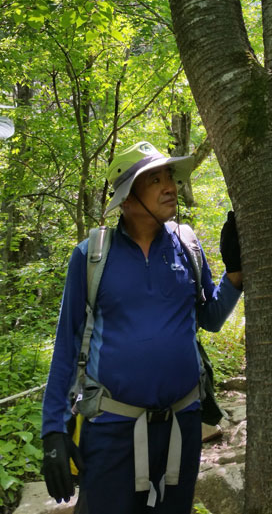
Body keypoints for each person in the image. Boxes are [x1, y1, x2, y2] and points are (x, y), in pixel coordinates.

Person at [41, 140, 242, 514]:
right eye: (154, 179)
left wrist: (234, 277)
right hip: (112, 429)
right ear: (128, 198)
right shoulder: (92, 256)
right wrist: (53, 429)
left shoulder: (187, 246)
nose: (170, 186)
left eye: (169, 176)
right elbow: (67, 345)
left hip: (181, 427)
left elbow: (210, 319)